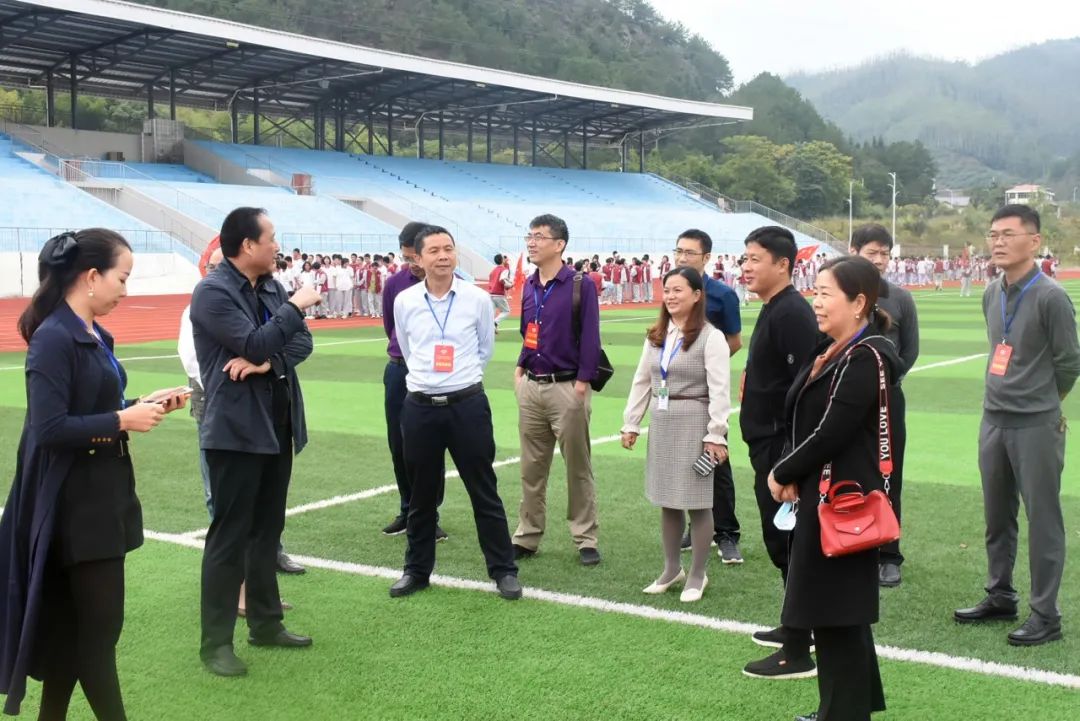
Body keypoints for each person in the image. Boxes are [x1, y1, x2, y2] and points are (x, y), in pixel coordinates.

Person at [0, 229, 189, 718]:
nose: (126, 289)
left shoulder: (92, 333)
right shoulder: (53, 338)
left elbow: (91, 409)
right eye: (121, 278)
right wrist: (122, 420)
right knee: (98, 637)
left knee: (73, 634)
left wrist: (140, 405)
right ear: (90, 277)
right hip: (76, 507)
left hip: (101, 496)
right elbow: (49, 429)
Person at [191, 207, 322, 678]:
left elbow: (299, 345)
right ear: (247, 245)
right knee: (229, 537)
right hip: (235, 432)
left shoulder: (269, 286)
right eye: (271, 238)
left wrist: (269, 364)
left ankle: (266, 624)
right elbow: (253, 342)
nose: (277, 246)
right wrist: (295, 307)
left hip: (276, 424)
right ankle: (215, 644)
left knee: (267, 530)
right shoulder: (212, 292)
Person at [768, 255, 897, 721]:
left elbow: (831, 432)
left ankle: (841, 713)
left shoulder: (865, 357)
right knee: (839, 612)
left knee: (836, 611)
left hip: (842, 502)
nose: (816, 302)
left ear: (858, 303)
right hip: (827, 495)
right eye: (815, 292)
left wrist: (782, 471)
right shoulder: (836, 350)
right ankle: (845, 709)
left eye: (826, 294)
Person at [954, 205, 1080, 646]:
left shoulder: (1050, 297)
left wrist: (1044, 400)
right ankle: (1000, 594)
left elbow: (1069, 362)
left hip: (1035, 425)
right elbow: (1000, 348)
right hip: (994, 419)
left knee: (1043, 520)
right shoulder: (992, 293)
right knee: (997, 516)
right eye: (993, 234)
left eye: (1008, 234)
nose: (998, 241)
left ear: (1035, 241)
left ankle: (1046, 614)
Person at [389, 226, 521, 600]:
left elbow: (484, 349)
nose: (444, 255)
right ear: (418, 258)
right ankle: (416, 571)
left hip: (467, 405)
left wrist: (457, 378)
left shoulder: (477, 299)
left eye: (449, 248)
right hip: (420, 408)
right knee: (421, 495)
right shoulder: (405, 301)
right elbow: (408, 350)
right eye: (434, 250)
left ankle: (503, 570)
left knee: (484, 490)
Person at [739, 226, 822, 680]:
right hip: (766, 443)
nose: (746, 267)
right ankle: (797, 628)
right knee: (781, 541)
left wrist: (790, 459)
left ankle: (798, 647)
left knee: (789, 541)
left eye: (755, 259)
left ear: (783, 264)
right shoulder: (775, 307)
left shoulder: (791, 313)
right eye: (745, 258)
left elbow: (807, 388)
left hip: (780, 447)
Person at [621, 268, 731, 603]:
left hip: (696, 423)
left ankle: (697, 573)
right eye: (666, 290)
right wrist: (631, 422)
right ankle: (671, 569)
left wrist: (716, 434)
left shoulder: (711, 337)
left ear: (697, 295)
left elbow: (720, 390)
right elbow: (643, 379)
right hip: (663, 421)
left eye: (678, 290)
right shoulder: (657, 334)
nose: (670, 296)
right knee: (667, 499)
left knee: (697, 502)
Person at [512, 214, 603, 566]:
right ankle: (527, 535)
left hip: (567, 387)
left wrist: (582, 384)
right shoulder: (529, 285)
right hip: (531, 385)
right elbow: (528, 332)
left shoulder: (580, 284)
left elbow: (591, 337)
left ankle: (585, 537)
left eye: (539, 236)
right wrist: (520, 368)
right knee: (531, 468)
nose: (531, 242)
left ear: (559, 244)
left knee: (578, 467)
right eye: (529, 236)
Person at [850, 224, 919, 587]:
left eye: (885, 253)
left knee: (889, 475)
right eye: (872, 252)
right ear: (853, 251)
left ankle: (889, 554)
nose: (879, 260)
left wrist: (882, 380)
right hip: (844, 401)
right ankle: (852, 542)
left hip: (886, 400)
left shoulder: (900, 298)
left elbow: (910, 351)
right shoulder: (840, 292)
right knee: (847, 471)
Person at [671, 230, 744, 564]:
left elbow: (734, 341)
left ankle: (727, 533)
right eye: (679, 251)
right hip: (679, 395)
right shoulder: (674, 290)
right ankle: (697, 525)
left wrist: (706, 367)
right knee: (689, 461)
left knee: (716, 461)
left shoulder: (722, 295)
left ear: (706, 258)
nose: (682, 257)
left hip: (709, 394)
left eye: (690, 252)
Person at [380, 222, 446, 542]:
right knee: (399, 443)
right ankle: (407, 508)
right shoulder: (395, 284)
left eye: (414, 257)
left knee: (431, 445)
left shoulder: (451, 285)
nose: (412, 264)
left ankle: (430, 514)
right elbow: (390, 326)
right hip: (399, 370)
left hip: (436, 374)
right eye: (406, 258)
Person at [488, 253, 513, 332]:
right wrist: (509, 285)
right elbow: (502, 279)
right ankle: (495, 322)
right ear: (502, 260)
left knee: (492, 313)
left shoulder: (493, 270)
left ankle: (491, 328)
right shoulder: (504, 269)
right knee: (506, 311)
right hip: (498, 294)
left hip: (491, 294)